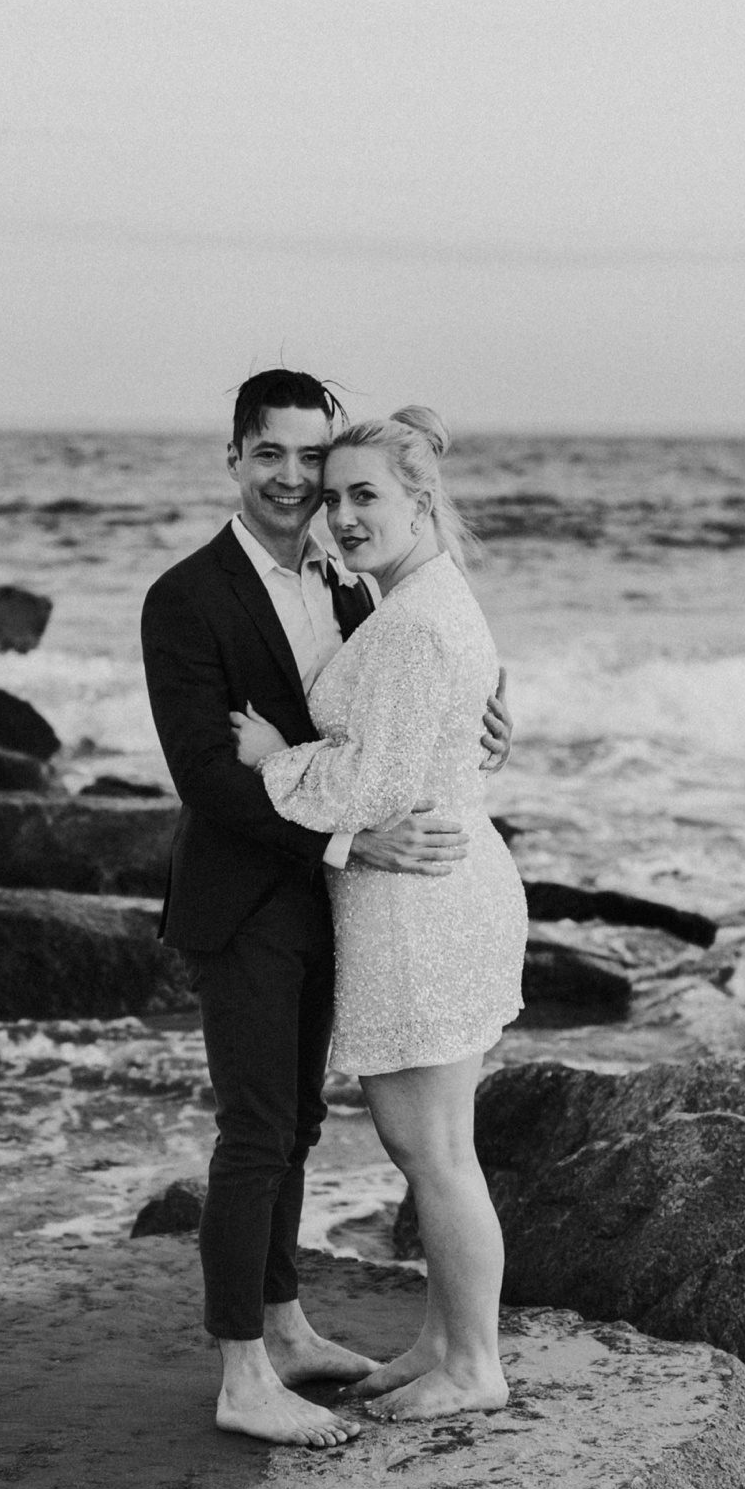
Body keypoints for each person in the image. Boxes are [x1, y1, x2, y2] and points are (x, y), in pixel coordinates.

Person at [140, 370, 513, 1449]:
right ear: (235, 455)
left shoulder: (358, 581)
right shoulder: (187, 596)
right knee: (256, 1131)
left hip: (340, 895)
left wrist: (487, 723)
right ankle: (241, 1372)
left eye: (317, 461)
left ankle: (288, 1324)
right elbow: (209, 777)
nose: (300, 482)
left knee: (297, 1126)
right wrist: (350, 834)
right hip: (252, 893)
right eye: (274, 455)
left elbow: (418, 694)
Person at [230, 407, 528, 1420]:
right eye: (335, 497)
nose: (344, 516)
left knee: (431, 1147)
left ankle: (473, 1364)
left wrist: (274, 757)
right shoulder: (422, 597)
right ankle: (443, 1340)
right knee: (439, 1141)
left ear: (419, 501)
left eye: (368, 496)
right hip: (439, 885)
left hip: (421, 900)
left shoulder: (406, 621)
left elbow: (369, 782)